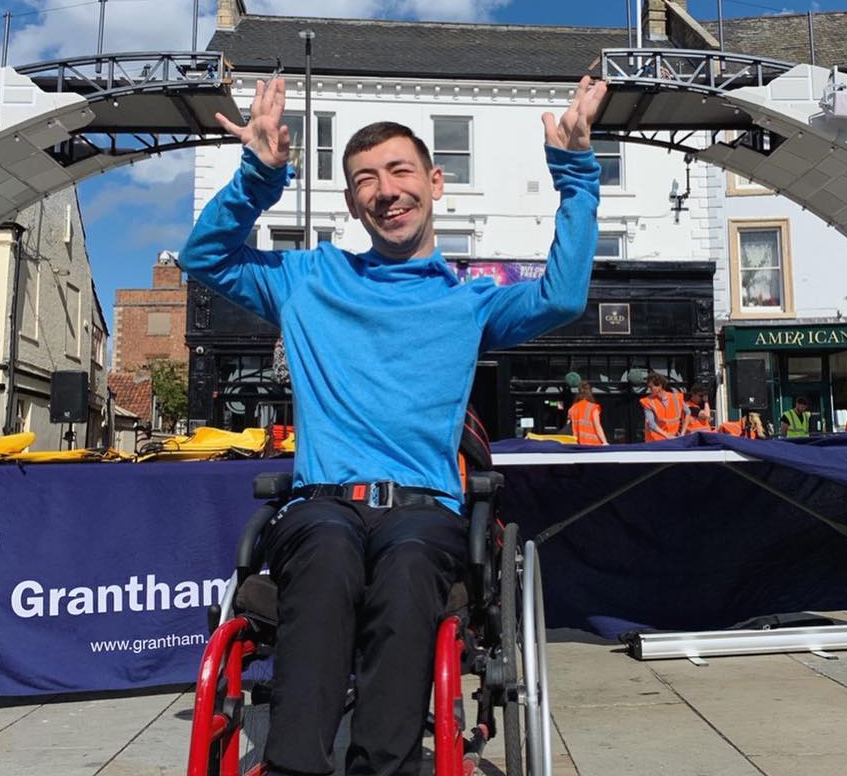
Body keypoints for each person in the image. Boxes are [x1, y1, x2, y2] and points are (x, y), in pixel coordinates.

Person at [179, 74, 606, 776]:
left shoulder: (469, 302)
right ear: (353, 202)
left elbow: (563, 295)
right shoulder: (307, 279)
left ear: (436, 183)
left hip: (424, 511)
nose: (386, 188)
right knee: (323, 554)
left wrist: (575, 171)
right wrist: (257, 176)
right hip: (323, 504)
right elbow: (205, 259)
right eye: (366, 179)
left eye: (401, 170)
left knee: (409, 571)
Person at [639, 371, 685, 441]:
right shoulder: (648, 401)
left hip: (673, 438)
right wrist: (667, 436)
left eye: (651, 387)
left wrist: (683, 433)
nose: (649, 390)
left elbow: (688, 412)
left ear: (660, 386)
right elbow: (652, 424)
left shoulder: (676, 397)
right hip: (655, 441)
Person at [567, 381, 608, 445]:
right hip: (594, 445)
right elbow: (597, 426)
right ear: (590, 394)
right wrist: (605, 442)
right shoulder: (593, 408)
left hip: (578, 445)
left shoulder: (572, 409)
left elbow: (568, 426)